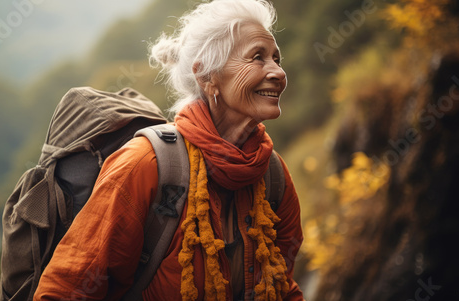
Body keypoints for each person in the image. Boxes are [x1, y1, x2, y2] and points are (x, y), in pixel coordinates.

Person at [34, 0, 304, 300]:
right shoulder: (145, 164)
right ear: (207, 77)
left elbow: (282, 285)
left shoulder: (273, 174)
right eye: (257, 57)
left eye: (276, 59)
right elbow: (66, 291)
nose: (278, 72)